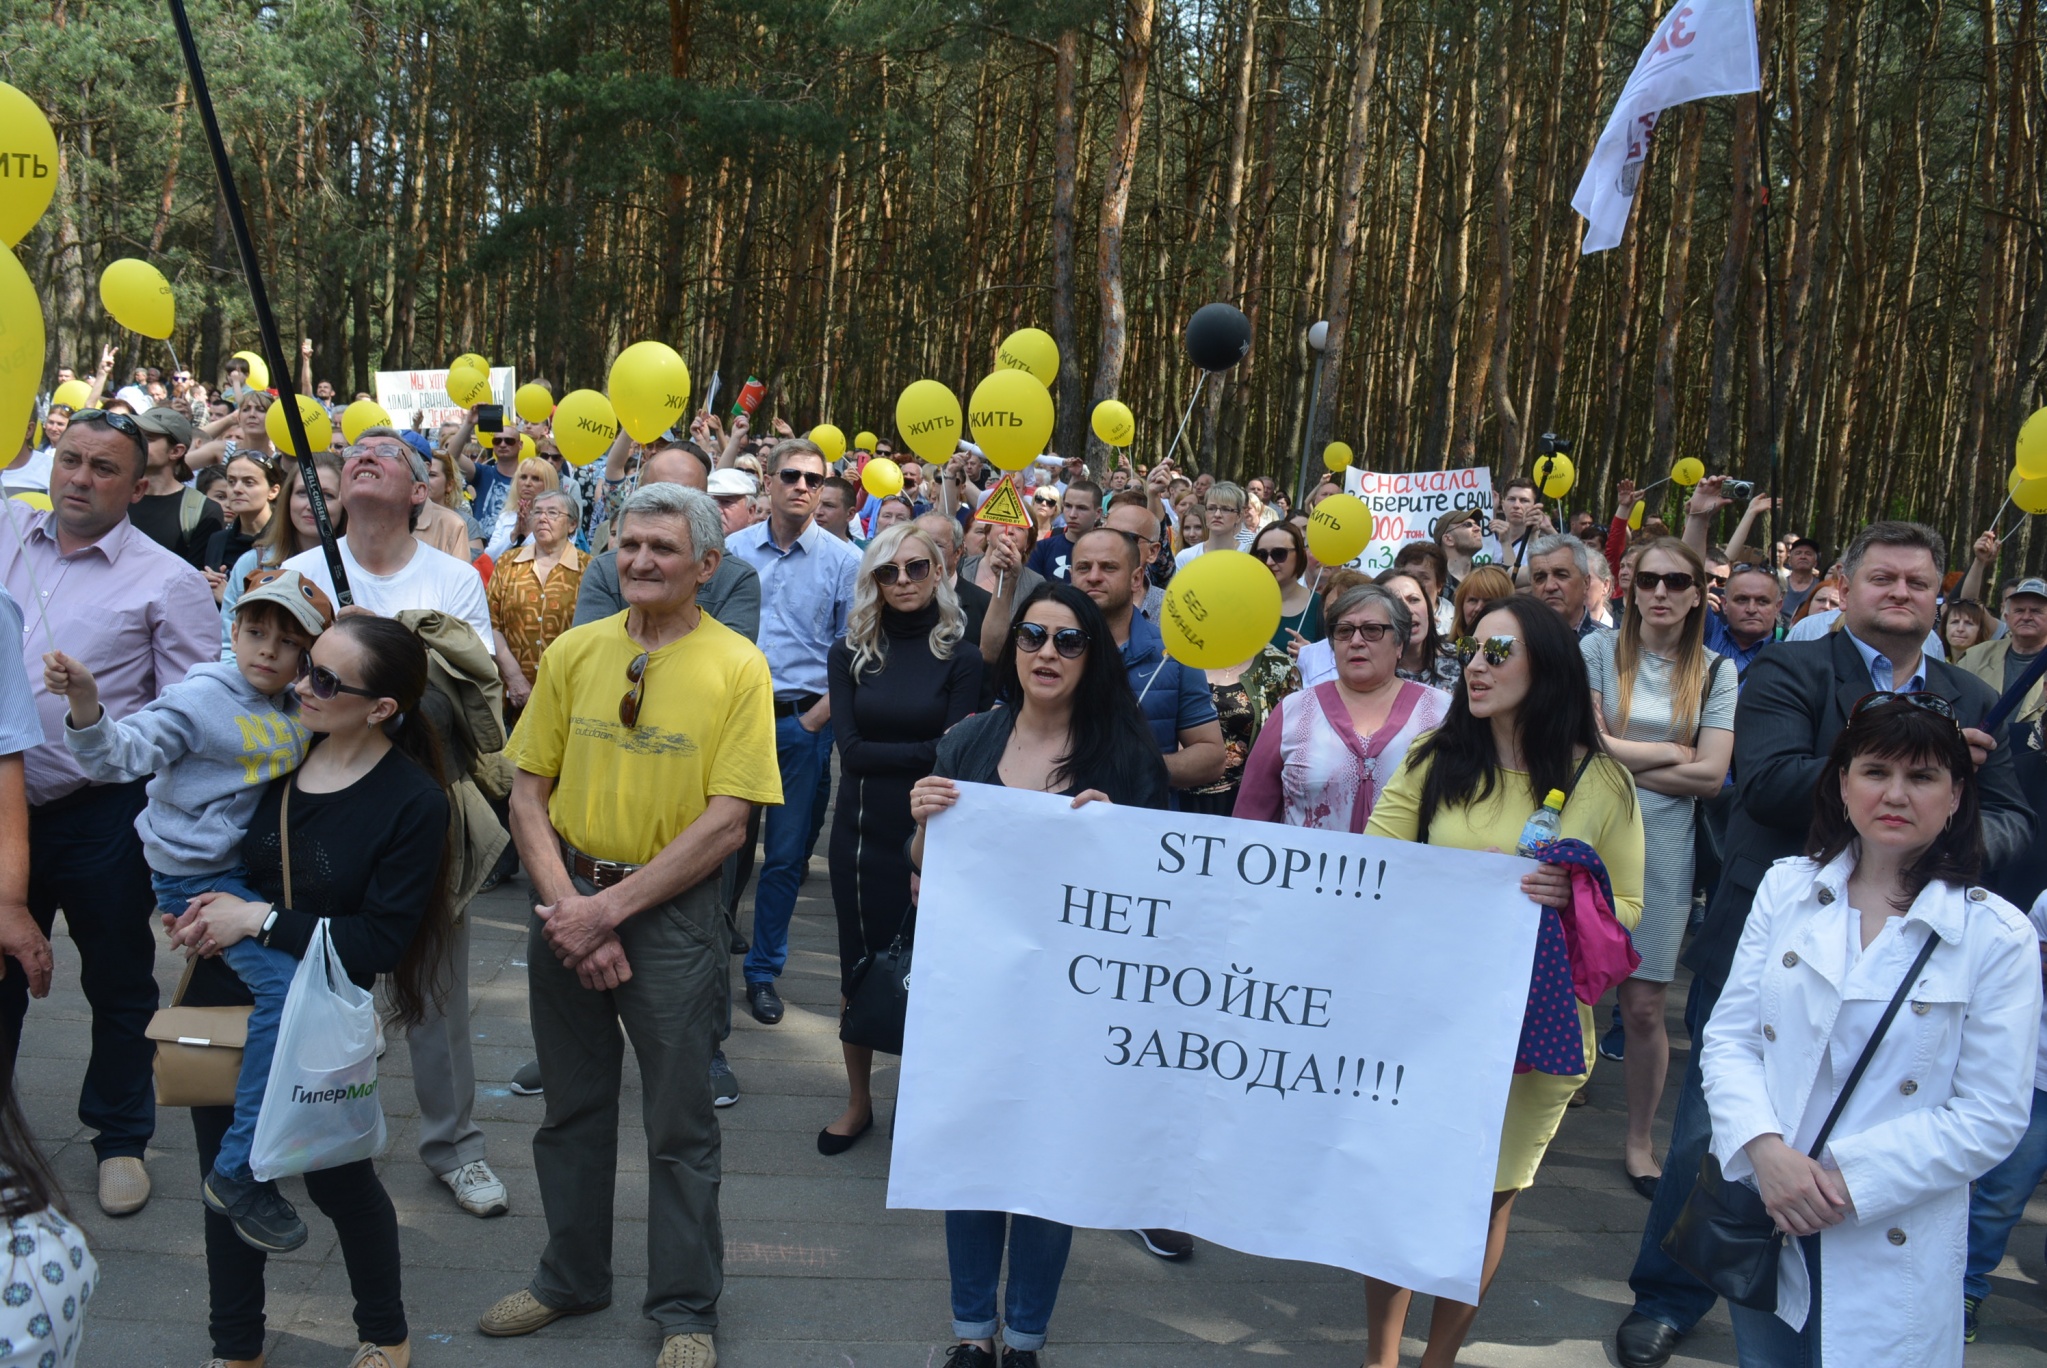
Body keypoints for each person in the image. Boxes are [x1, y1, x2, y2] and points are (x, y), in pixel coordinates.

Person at [1614, 520, 2033, 1368]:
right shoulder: (1791, 667)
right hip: (1783, 929)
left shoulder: (1967, 696)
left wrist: (1937, 848)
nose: (1901, 594)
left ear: (1940, 594)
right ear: (1847, 585)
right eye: (1883, 578)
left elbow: (2020, 822)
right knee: (1710, 1137)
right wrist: (1891, 747)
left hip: (1921, 943)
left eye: (1919, 582)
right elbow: (1763, 783)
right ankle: (1669, 1292)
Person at [483, 483, 780, 1368]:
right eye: (630, 545)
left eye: (663, 548)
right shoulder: (576, 652)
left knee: (679, 1123)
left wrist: (605, 913)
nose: (643, 561)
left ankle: (686, 1305)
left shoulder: (737, 667)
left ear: (706, 565)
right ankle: (569, 1278)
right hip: (563, 898)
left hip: (669, 920)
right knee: (570, 1109)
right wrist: (571, 911)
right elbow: (526, 790)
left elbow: (729, 822)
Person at [1701, 697, 2039, 1368]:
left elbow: (1991, 1114)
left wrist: (1839, 1185)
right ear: (1841, 782)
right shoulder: (1786, 890)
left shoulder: (1996, 935)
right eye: (1874, 770)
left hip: (1892, 1231)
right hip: (1768, 1216)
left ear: (1955, 798)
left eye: (1920, 778)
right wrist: (1765, 1153)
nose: (1893, 794)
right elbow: (1731, 1038)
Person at [167, 614, 456, 1368]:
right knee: (227, 1182)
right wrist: (198, 914)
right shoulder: (277, 753)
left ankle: (385, 1336)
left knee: (341, 1185)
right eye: (307, 665)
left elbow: (379, 943)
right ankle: (235, 1349)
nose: (299, 684)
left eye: (325, 680)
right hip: (225, 1005)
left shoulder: (413, 802)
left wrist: (255, 919)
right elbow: (201, 853)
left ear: (380, 708)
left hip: (316, 1020)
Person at [1364, 594, 1644, 1368]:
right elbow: (1371, 868)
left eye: (1498, 652)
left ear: (1545, 668)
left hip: (1535, 1027)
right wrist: (1460, 878)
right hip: (1427, 1015)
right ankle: (1379, 1358)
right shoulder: (1433, 759)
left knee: (1486, 1198)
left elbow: (1627, 911)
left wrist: (1572, 892)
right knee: (1406, 1187)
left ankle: (1438, 1359)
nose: (1475, 668)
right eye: (1471, 652)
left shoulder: (1602, 784)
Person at [907, 582, 1168, 1368]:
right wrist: (922, 822)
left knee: (1048, 1162)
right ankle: (968, 1335)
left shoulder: (1123, 756)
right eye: (1031, 636)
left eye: (1067, 640)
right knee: (971, 1155)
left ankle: (1023, 1340)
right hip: (974, 995)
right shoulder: (968, 744)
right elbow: (923, 870)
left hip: (1074, 1004)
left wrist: (1114, 838)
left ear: (1093, 655)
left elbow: (1158, 889)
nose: (1046, 653)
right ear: (1011, 647)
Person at [47, 569, 329, 1251]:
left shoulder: (299, 706)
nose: (266, 649)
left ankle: (280, 1122)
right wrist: (87, 706)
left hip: (255, 873)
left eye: (285, 641)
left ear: (306, 657)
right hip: (198, 881)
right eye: (255, 632)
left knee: (310, 984)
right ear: (233, 631)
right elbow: (122, 754)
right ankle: (237, 1170)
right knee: (284, 994)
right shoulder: (203, 696)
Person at [278, 427, 508, 1219]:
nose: (367, 452)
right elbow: (265, 688)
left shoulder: (451, 579)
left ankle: (454, 1146)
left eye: (391, 451)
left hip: (422, 810)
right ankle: (287, 1125)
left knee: (435, 991)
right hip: (317, 804)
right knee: (303, 977)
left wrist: (381, 651)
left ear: (422, 491)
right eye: (356, 449)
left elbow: (462, 700)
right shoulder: (298, 575)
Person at [0, 410, 217, 1217]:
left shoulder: (168, 579)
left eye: (101, 468)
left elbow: (196, 714)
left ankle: (120, 1138)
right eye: (68, 461)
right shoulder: (8, 538)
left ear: (137, 484)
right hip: (4, 803)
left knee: (120, 979)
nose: (79, 479)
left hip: (102, 813)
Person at [1578, 537, 1738, 1197]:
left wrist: (1622, 752)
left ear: (1698, 593)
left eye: (1676, 581)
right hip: (1587, 837)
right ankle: (1531, 1116)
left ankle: (1640, 1139)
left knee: (1643, 1006)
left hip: (1664, 854)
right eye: (1648, 580)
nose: (1661, 593)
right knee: (1562, 987)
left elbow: (1712, 776)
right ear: (1629, 586)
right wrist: (1672, 751)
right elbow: (1581, 745)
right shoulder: (1593, 652)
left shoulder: (1715, 671)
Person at [820, 523, 982, 1155]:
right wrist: (921, 752)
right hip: (860, 833)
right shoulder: (851, 653)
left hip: (934, 833)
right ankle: (858, 1102)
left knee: (933, 972)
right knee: (857, 967)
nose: (904, 581)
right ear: (873, 582)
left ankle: (924, 1104)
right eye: (888, 572)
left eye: (916, 568)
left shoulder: (963, 656)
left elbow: (954, 754)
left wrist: (920, 755)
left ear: (939, 571)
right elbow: (851, 753)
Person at [726, 438, 860, 1027]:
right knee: (719, 851)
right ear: (768, 482)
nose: (803, 486)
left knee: (783, 859)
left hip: (801, 725)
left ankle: (763, 973)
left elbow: (857, 651)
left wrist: (816, 718)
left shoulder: (844, 562)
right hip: (730, 723)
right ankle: (704, 962)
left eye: (813, 478)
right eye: (791, 475)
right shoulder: (729, 552)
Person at [1235, 582, 1450, 832]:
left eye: (1372, 630)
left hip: (1407, 869)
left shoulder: (1440, 712)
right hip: (1307, 869)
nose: (1356, 641)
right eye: (1344, 631)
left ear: (1400, 644)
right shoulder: (1293, 711)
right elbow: (1250, 818)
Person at [1068, 528, 1225, 797]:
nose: (1094, 577)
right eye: (1084, 567)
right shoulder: (1040, 647)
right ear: (1071, 576)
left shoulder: (1173, 655)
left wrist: (1142, 765)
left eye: (1108, 567)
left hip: (1140, 825)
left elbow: (1212, 757)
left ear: (1136, 578)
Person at [1953, 576, 2047, 907]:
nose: (2027, 615)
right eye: (2019, 609)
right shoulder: (1975, 657)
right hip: (1982, 773)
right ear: (2005, 615)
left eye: (2037, 610)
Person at [219, 452, 346, 658]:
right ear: (288, 498)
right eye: (303, 493)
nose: (312, 505)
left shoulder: (356, 567)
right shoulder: (254, 563)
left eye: (327, 495)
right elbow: (227, 646)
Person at [488, 488, 586, 717]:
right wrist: (514, 677)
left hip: (568, 693)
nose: (542, 518)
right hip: (513, 695)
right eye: (537, 512)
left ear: (572, 525)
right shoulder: (508, 563)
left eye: (553, 513)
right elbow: (490, 622)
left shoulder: (587, 568)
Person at [125, 407, 223, 570]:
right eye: (136, 436)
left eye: (148, 438)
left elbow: (195, 579)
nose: (137, 444)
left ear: (176, 451)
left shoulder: (202, 511)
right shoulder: (114, 496)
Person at [201, 450, 280, 603]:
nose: (237, 489)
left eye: (248, 482)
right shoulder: (217, 540)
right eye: (231, 481)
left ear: (273, 491)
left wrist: (230, 596)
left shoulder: (286, 539)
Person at [1377, 568, 1458, 689]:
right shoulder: (1369, 670)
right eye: (1396, 604)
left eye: (1414, 600)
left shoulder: (1461, 660)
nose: (1408, 610)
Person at [1252, 520, 1322, 652]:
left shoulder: (1320, 607)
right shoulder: (1242, 600)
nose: (1269, 562)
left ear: (1300, 554)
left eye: (1279, 553)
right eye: (1262, 555)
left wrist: (1312, 655)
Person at [1526, 532, 1608, 639]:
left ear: (1586, 583)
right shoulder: (1519, 641)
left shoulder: (1610, 645)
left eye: (1561, 575)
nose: (1550, 586)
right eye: (1540, 578)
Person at [484, 454, 562, 560]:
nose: (527, 483)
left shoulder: (559, 519)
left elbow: (553, 558)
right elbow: (489, 558)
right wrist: (514, 534)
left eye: (535, 479)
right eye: (523, 477)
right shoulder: (506, 516)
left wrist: (528, 533)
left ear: (548, 484)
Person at [1025, 479, 1100, 582]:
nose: (1072, 514)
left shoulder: (1107, 551)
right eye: (1068, 506)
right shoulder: (1041, 548)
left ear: (1098, 513)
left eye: (1081, 508)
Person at [187, 389, 275, 471]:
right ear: (239, 417)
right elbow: (181, 463)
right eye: (245, 410)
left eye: (261, 410)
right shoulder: (223, 449)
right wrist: (230, 419)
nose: (252, 414)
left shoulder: (279, 459)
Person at [1174, 480, 1248, 569]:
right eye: (1211, 508)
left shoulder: (1249, 554)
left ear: (1239, 517)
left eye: (1225, 509)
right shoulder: (1185, 557)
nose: (1217, 514)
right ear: (1205, 513)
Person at [1451, 564, 1516, 640]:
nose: (1478, 608)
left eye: (1488, 601)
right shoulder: (1445, 648)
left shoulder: (1516, 648)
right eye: (1473, 600)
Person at [1779, 535, 1824, 623]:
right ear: (1789, 561)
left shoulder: (1820, 588)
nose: (1803, 556)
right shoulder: (1778, 584)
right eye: (1798, 553)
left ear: (1815, 562)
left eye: (1808, 554)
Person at [815, 475, 859, 541]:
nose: (817, 512)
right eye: (815, 504)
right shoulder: (795, 547)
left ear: (850, 514)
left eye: (829, 505)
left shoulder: (854, 551)